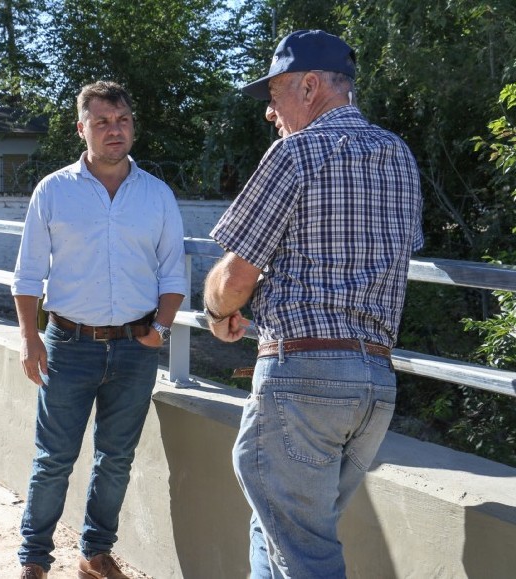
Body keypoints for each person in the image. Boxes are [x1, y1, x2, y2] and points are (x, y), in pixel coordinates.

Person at [203, 30, 423, 578]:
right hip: (375, 382)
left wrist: (215, 311)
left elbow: (236, 276)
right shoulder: (398, 155)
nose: (269, 114)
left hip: (304, 378)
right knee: (278, 527)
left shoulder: (295, 153)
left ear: (308, 85)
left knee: (306, 555)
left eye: (274, 96)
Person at [12, 80, 187, 579]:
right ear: (81, 128)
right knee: (54, 460)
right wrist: (29, 339)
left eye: (124, 120)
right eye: (104, 121)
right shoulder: (53, 191)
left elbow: (173, 272)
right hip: (67, 346)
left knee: (115, 459)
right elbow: (27, 274)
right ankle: (34, 559)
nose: (116, 130)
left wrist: (161, 328)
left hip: (135, 349)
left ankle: (94, 552)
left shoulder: (156, 194)